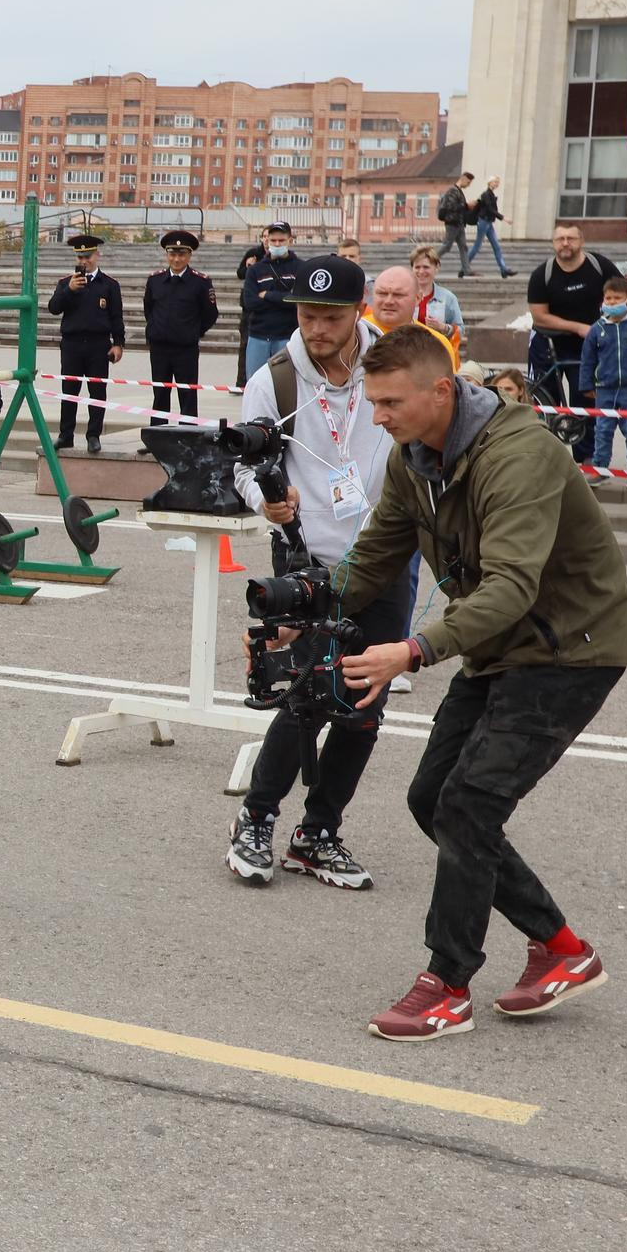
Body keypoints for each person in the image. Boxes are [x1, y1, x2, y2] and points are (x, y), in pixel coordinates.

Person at [336, 325, 627, 1041]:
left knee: (468, 801)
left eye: (390, 401)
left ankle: (447, 982)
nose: (378, 416)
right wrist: (310, 606)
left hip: (570, 647)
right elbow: (375, 554)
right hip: (500, 642)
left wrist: (413, 649)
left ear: (442, 390)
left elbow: (510, 585)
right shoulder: (414, 457)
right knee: (432, 798)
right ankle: (562, 950)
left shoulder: (520, 454)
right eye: (371, 402)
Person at [220, 255, 400, 893]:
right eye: (306, 315)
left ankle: (318, 832)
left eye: (330, 317)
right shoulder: (275, 379)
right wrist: (263, 501)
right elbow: (244, 465)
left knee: (365, 702)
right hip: (307, 558)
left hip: (387, 556)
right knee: (306, 694)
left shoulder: (390, 361)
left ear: (359, 313)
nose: (316, 328)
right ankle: (256, 817)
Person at [526, 220, 618, 449]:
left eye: (571, 238)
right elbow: (540, 316)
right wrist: (578, 327)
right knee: (545, 402)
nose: (565, 243)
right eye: (560, 239)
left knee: (585, 398)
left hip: (586, 345)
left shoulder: (599, 266)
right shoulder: (542, 274)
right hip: (546, 343)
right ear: (553, 243)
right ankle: (544, 454)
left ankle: (586, 459)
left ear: (582, 241)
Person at [46, 232, 124, 453]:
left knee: (97, 392)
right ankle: (66, 434)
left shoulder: (109, 285)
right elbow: (53, 308)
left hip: (98, 345)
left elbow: (116, 317)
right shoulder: (65, 283)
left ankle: (93, 435)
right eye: (80, 258)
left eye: (88, 257)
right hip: (72, 344)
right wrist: (69, 290)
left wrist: (118, 343)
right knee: (69, 391)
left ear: (97, 255)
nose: (84, 262)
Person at [141, 229, 219, 432]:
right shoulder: (155, 280)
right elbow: (149, 308)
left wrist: (193, 331)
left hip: (186, 348)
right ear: (167, 255)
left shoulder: (200, 282)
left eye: (181, 254)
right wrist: (156, 329)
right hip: (159, 347)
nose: (176, 259)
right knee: (160, 393)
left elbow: (210, 314)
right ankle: (158, 434)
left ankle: (188, 436)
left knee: (187, 395)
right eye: (172, 254)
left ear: (189, 255)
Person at [577, 276, 627, 484]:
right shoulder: (596, 329)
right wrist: (586, 385)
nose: (611, 302)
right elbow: (588, 360)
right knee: (602, 429)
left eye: (616, 298)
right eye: (608, 298)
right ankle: (600, 468)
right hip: (605, 388)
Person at [240, 220, 303, 379]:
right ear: (267, 241)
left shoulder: (301, 268)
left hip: (287, 337)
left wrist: (267, 295)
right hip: (258, 336)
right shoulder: (255, 270)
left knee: (286, 386)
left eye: (281, 240)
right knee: (255, 384)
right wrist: (283, 299)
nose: (277, 244)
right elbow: (250, 302)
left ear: (290, 241)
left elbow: (297, 300)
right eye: (273, 240)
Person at [366, 266, 457, 367]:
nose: (388, 301)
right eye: (382, 293)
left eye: (398, 295)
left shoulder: (437, 343)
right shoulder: (354, 332)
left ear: (418, 298)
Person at [408, 244, 466, 338]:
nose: (421, 271)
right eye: (417, 267)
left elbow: (461, 330)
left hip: (437, 350)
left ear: (437, 267)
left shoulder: (448, 297)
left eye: (426, 267)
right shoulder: (404, 295)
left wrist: (443, 328)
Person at [437, 170, 476, 279]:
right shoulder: (452, 191)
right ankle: (429, 259)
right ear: (463, 179)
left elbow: (458, 206)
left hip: (459, 223)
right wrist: (467, 205)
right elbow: (451, 206)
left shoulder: (458, 191)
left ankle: (466, 270)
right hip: (452, 223)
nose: (468, 185)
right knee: (447, 246)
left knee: (463, 247)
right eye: (468, 183)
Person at [469, 177, 510, 277]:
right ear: (489, 182)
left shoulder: (491, 194)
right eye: (495, 182)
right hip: (483, 222)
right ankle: (465, 266)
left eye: (498, 182)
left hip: (489, 222)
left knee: (496, 246)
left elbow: (491, 209)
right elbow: (490, 209)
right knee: (477, 246)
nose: (497, 184)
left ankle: (504, 269)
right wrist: (503, 218)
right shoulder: (486, 194)